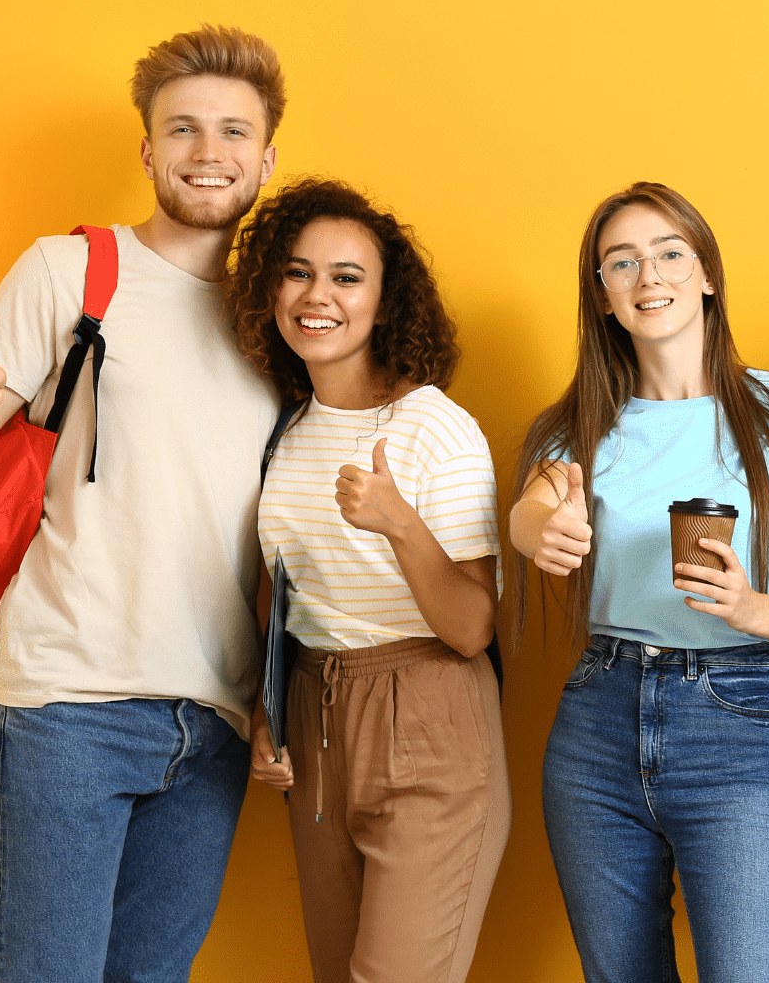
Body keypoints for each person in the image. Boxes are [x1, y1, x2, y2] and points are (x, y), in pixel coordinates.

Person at [0, 25, 285, 981]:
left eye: (233, 131)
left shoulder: (278, 314)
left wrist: (274, 701)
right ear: (148, 149)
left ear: (267, 157)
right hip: (72, 704)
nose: (208, 151)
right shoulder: (72, 274)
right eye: (182, 128)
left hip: (215, 718)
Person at [509, 182, 769, 983]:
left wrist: (753, 608)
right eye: (622, 262)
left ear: (706, 272)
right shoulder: (578, 426)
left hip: (740, 723)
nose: (650, 275)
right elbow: (531, 512)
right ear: (602, 296)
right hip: (597, 727)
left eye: (671, 252)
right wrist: (545, 531)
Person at [225, 178, 508, 982]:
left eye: (347, 278)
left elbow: (472, 628)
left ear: (385, 304)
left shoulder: (434, 428)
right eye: (298, 272)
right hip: (316, 717)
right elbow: (278, 591)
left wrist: (398, 523)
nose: (318, 296)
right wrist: (265, 711)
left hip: (428, 712)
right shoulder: (285, 428)